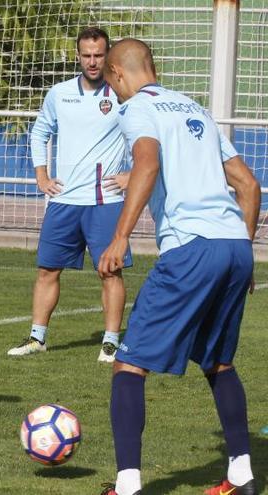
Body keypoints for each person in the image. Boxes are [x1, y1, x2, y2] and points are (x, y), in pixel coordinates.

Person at [98, 39, 260, 495]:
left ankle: (127, 486)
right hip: (234, 246)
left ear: (117, 73)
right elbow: (249, 186)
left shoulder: (136, 110)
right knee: (219, 362)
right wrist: (243, 255)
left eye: (111, 80)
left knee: (129, 365)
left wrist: (120, 236)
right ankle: (242, 477)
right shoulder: (196, 109)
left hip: (191, 247)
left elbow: (146, 165)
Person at [7, 27, 131, 363]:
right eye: (86, 55)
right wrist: (41, 175)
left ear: (108, 56)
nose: (92, 61)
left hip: (105, 202)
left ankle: (110, 341)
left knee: (110, 271)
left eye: (99, 55)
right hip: (63, 201)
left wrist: (131, 175)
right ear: (78, 56)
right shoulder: (59, 93)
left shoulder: (122, 94)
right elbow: (39, 132)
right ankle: (37, 338)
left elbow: (147, 137)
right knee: (47, 270)